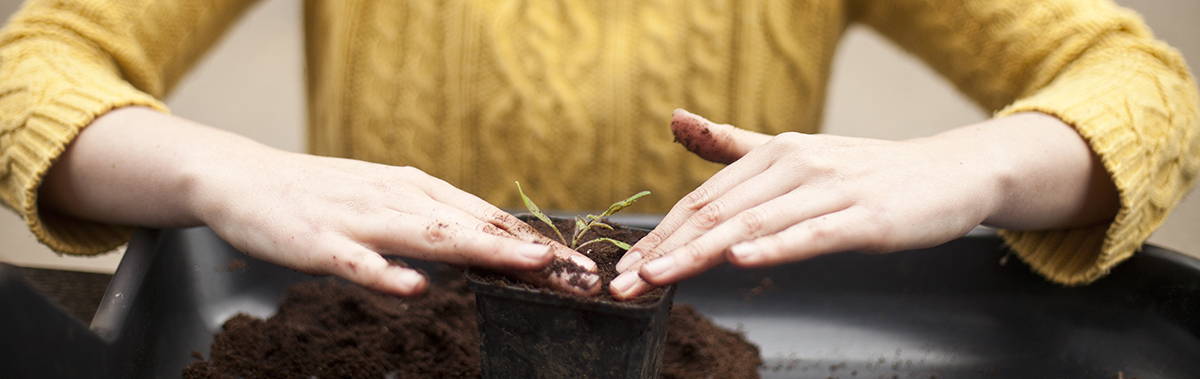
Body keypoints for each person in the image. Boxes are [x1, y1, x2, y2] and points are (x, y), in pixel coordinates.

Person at [0, 1, 1195, 300]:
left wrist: (971, 165)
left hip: (710, 325)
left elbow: (1143, 85)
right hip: (389, 330)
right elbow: (32, 66)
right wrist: (222, 167)